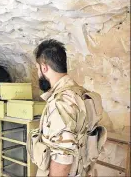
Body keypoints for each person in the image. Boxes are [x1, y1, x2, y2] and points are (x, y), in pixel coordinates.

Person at [34, 39, 89, 176]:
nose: (38, 73)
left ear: (44, 67)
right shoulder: (78, 92)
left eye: (37, 69)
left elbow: (62, 160)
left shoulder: (61, 102)